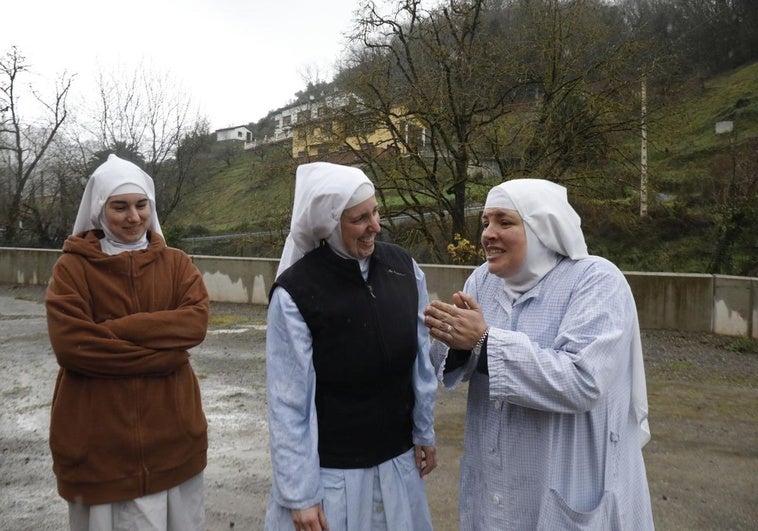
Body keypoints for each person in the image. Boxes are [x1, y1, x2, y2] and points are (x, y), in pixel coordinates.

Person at [423, 178, 654, 530]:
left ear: (541, 227)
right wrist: (452, 343)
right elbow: (458, 364)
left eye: (504, 221)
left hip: (568, 479)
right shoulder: (483, 281)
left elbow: (582, 380)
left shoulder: (595, 281)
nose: (488, 233)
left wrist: (483, 342)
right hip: (496, 481)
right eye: (485, 222)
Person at [264, 161, 438, 531]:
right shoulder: (297, 293)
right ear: (330, 224)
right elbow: (288, 402)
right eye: (359, 218)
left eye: (375, 212)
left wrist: (423, 431)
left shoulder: (403, 268)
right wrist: (300, 495)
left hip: (398, 462)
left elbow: (421, 358)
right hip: (334, 479)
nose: (375, 225)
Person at [45, 154, 210, 531]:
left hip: (173, 441)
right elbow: (72, 346)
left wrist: (112, 330)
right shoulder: (72, 268)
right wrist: (165, 353)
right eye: (119, 206)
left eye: (141, 206)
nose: (133, 217)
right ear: (99, 210)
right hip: (101, 447)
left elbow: (195, 323)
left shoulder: (177, 264)